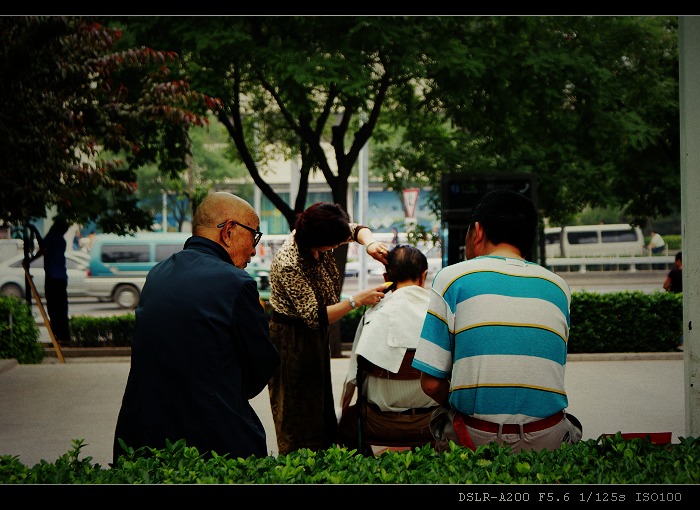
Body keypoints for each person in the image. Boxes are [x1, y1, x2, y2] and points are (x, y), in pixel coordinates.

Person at [113, 192, 280, 463]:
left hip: (141, 438)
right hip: (212, 443)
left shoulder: (157, 274)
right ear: (228, 231)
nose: (253, 250)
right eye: (254, 236)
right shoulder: (237, 283)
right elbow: (260, 366)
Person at [413, 189, 582, 453]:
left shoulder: (453, 279)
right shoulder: (559, 287)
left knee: (438, 420)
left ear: (477, 232)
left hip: (477, 438)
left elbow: (431, 383)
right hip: (547, 437)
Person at [267, 202, 391, 455]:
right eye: (332, 245)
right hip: (291, 337)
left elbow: (354, 230)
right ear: (317, 240)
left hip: (314, 334)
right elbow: (315, 316)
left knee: (320, 404)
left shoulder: (321, 234)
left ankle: (323, 456)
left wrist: (370, 244)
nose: (336, 248)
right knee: (296, 410)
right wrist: (357, 300)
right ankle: (297, 464)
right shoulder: (289, 262)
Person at [338, 244, 439, 451]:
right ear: (424, 275)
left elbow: (353, 380)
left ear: (386, 278)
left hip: (378, 423)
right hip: (432, 422)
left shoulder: (372, 315)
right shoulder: (440, 314)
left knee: (345, 419)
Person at [27, 217, 71, 345]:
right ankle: (63, 335)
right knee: (61, 308)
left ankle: (57, 336)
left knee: (53, 308)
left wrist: (30, 260)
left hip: (53, 277)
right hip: (61, 277)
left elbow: (43, 248)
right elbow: (44, 246)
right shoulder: (61, 240)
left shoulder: (53, 236)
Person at [663, 251, 683, 351]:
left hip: (676, 299)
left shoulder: (674, 272)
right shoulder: (690, 271)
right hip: (686, 299)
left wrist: (670, 288)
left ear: (679, 260)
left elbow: (665, 285)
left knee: (677, 322)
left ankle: (679, 342)